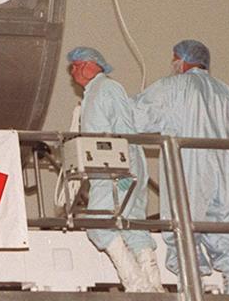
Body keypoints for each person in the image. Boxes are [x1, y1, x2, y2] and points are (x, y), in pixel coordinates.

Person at [133, 39, 229, 294]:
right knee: (227, 232)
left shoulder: (171, 87)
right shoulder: (225, 92)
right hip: (223, 174)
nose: (173, 64)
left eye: (174, 59)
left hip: (187, 172)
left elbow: (134, 117)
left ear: (181, 60)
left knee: (183, 231)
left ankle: (192, 292)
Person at [65, 47, 162, 291]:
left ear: (94, 65)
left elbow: (124, 129)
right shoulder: (93, 94)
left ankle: (137, 284)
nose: (74, 70)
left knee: (99, 223)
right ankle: (152, 284)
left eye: (78, 64)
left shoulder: (107, 88)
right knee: (130, 223)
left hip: (116, 167)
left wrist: (123, 168)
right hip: (110, 166)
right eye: (72, 66)